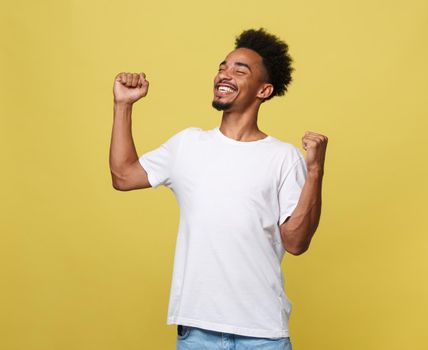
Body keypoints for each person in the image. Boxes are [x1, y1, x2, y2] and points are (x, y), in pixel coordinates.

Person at [109, 28, 327, 350]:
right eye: (223, 66)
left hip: (263, 334)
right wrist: (123, 105)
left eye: (241, 70)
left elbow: (296, 242)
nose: (225, 74)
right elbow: (123, 176)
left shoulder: (283, 157)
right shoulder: (188, 144)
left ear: (264, 90)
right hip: (197, 331)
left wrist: (315, 171)